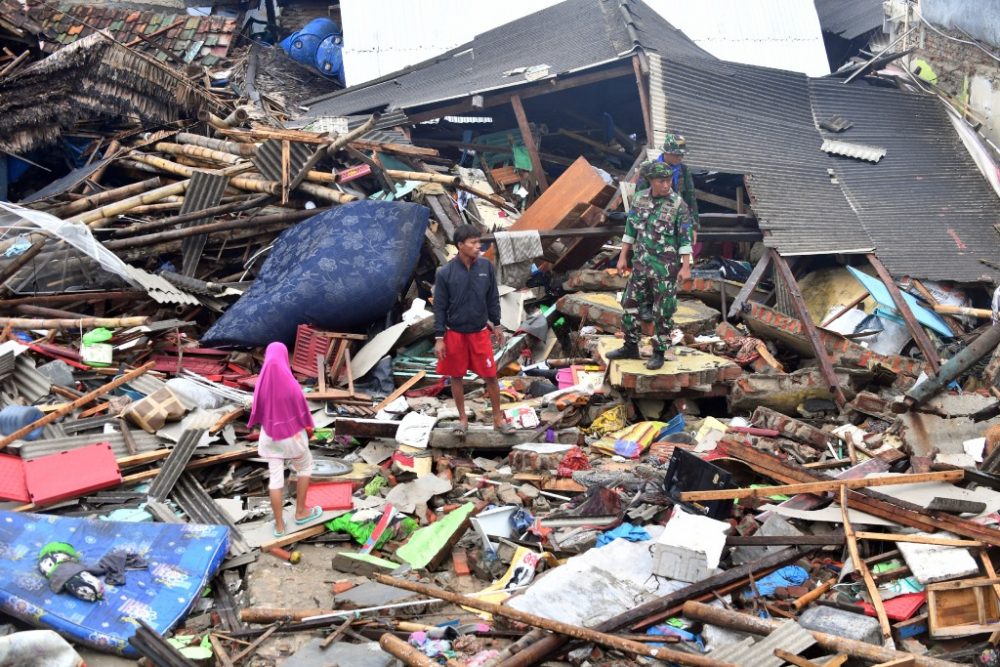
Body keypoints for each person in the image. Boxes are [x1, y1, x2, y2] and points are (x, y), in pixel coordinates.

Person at [607, 160, 695, 370]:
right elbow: (630, 231)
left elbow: (685, 239)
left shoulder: (678, 205)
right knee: (629, 304)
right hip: (640, 265)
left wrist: (685, 267)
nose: (666, 185)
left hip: (665, 269)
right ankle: (630, 345)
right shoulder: (640, 199)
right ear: (651, 181)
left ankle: (659, 351)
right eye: (661, 181)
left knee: (662, 311)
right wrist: (622, 257)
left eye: (668, 181)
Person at [433, 224, 515, 437]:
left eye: (479, 242)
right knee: (456, 376)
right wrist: (439, 338)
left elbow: (492, 297)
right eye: (473, 242)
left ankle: (498, 419)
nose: (478, 246)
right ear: (460, 245)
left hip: (480, 332)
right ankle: (462, 420)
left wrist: (497, 325)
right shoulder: (445, 273)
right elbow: (439, 307)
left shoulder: (486, 267)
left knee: (491, 376)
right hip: (455, 334)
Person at [247, 341, 320, 537]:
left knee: (276, 479)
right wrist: (310, 428)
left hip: (270, 436)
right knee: (305, 467)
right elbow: (303, 413)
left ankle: (279, 525)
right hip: (292, 437)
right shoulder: (290, 383)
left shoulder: (261, 382)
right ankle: (301, 512)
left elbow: (257, 411)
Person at [636, 133, 699, 322]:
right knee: (648, 264)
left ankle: (663, 304)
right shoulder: (649, 169)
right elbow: (640, 196)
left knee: (670, 264)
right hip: (652, 222)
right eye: (677, 154)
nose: (680, 158)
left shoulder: (684, 171)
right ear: (667, 153)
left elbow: (690, 198)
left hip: (674, 221)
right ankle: (646, 305)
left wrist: (693, 225)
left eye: (681, 155)